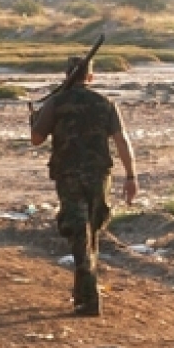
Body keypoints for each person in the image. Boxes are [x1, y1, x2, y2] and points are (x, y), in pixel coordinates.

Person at [30, 56, 138, 317]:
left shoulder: (56, 103)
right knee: (90, 232)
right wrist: (132, 176)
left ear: (66, 76)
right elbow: (122, 140)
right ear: (90, 77)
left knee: (80, 234)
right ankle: (84, 293)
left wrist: (34, 119)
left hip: (69, 176)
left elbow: (36, 139)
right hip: (99, 176)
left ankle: (88, 298)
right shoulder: (105, 104)